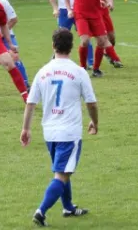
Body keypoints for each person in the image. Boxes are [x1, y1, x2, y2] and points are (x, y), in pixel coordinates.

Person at [20, 28, 98, 227]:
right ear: (71, 47)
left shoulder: (43, 71)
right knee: (62, 174)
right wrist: (94, 122)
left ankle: (68, 207)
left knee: (63, 170)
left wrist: (26, 129)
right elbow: (91, 103)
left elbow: (30, 103)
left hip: (50, 131)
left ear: (53, 46)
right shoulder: (78, 72)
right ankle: (41, 211)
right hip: (69, 132)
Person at [64, 0, 121, 77]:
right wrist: (69, 9)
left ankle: (96, 69)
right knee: (84, 41)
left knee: (101, 41)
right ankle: (82, 68)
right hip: (80, 15)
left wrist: (109, 2)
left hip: (96, 14)